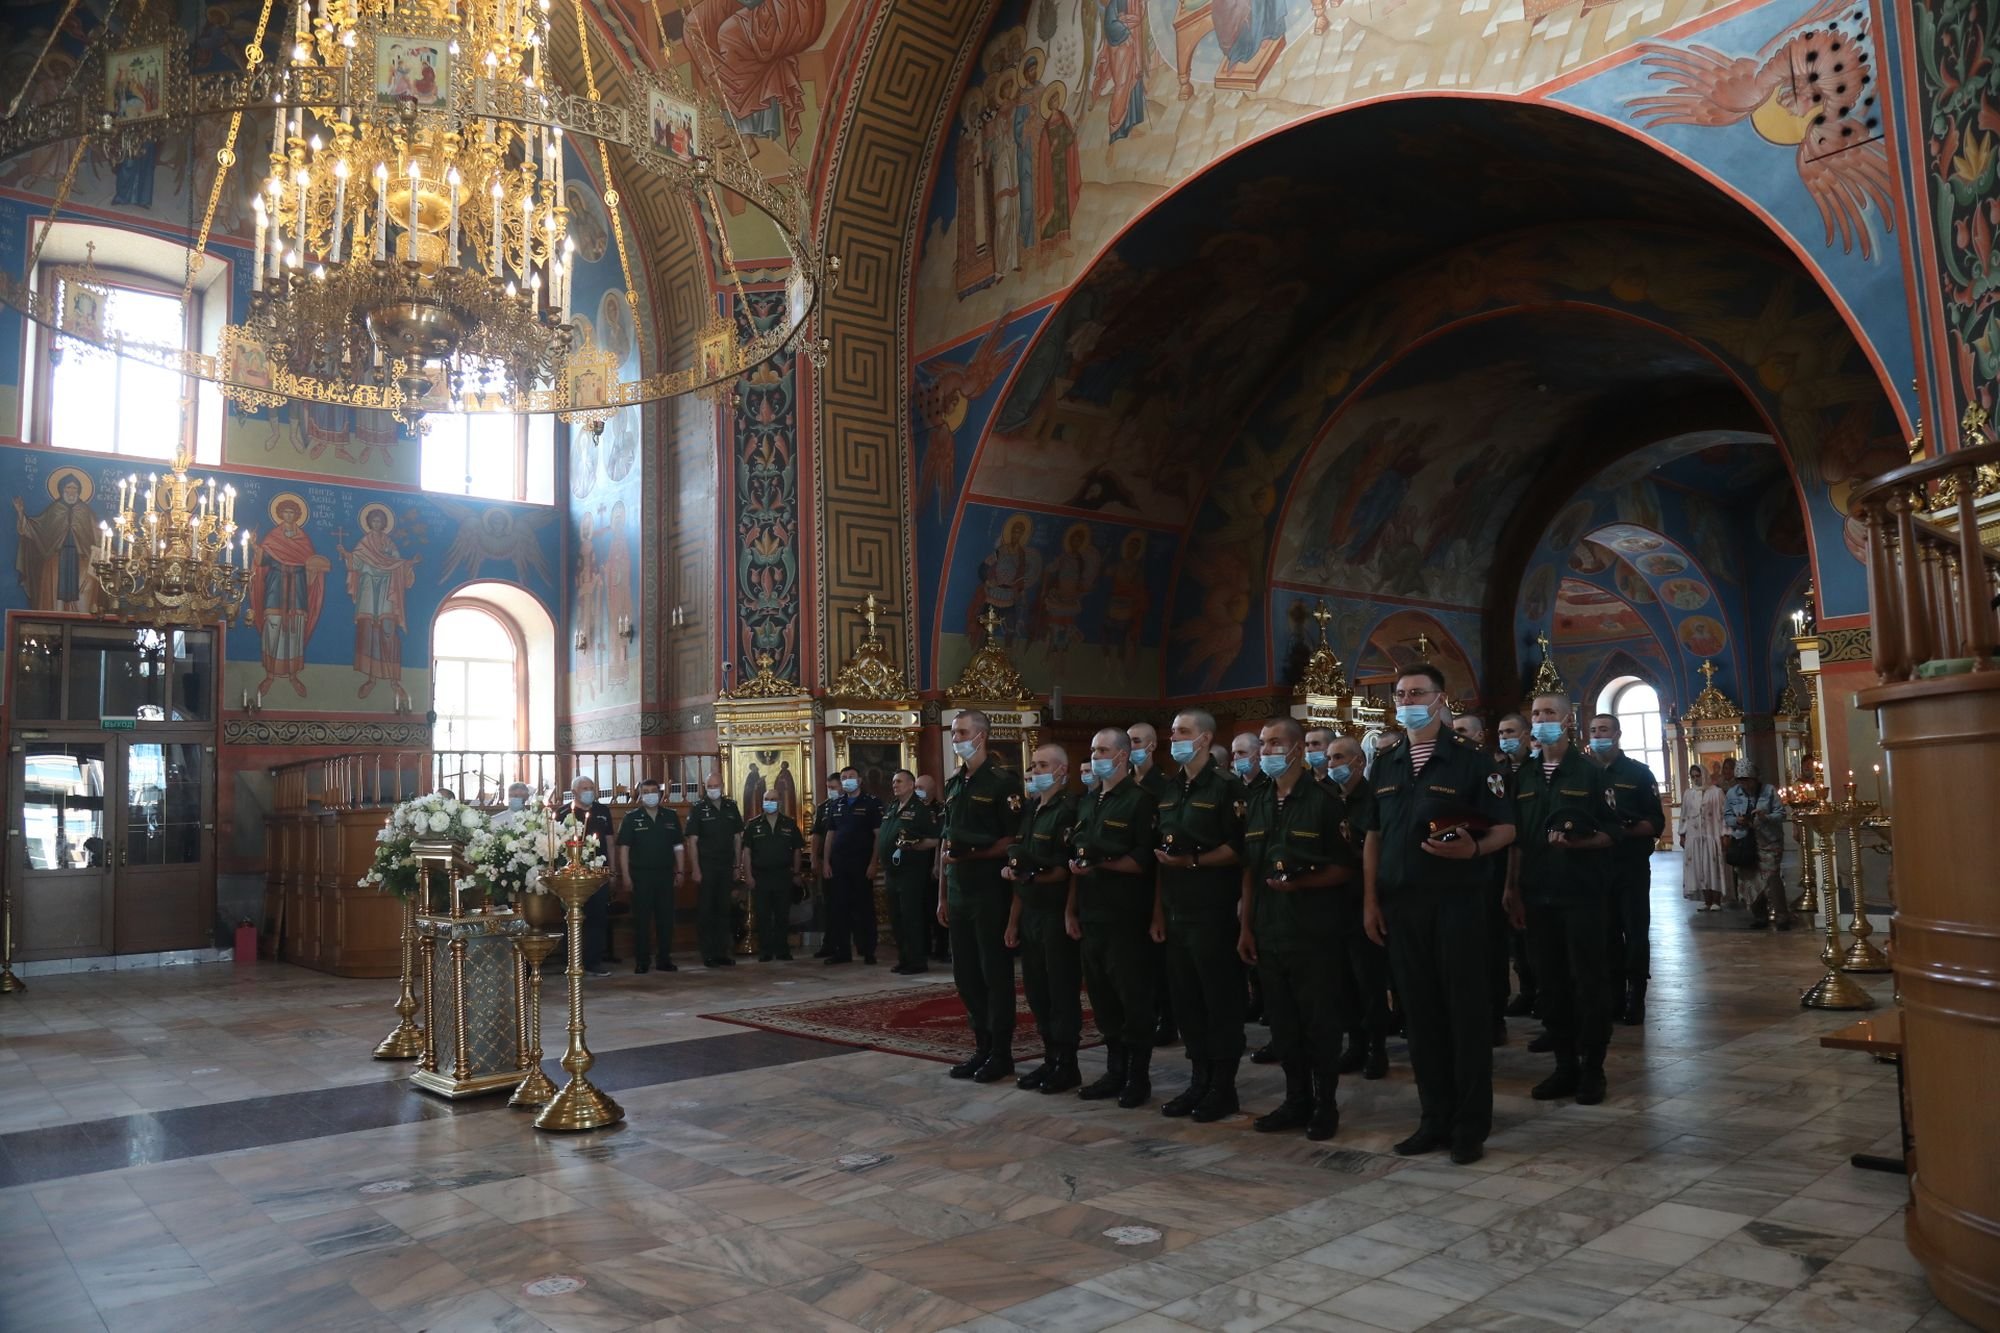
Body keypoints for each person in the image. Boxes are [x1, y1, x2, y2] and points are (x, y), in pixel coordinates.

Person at [1362, 665, 1515, 1164]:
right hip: (1402, 906)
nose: (1406, 700)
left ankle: (1470, 1125)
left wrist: (1472, 851)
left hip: (1457, 903)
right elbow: (1373, 837)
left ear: (1439, 698)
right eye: (1400, 693)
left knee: (1464, 1015)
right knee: (1420, 1016)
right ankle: (1433, 1118)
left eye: (1417, 692)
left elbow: (1506, 828)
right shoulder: (1386, 763)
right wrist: (1370, 900)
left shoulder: (1470, 760)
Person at [1240, 717, 1356, 1140]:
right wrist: (1246, 927)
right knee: (1284, 1025)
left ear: (1295, 750)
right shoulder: (1256, 801)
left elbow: (1345, 869)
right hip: (1269, 931)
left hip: (1314, 932)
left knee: (1319, 1023)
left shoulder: (1324, 801)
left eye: (1274, 743)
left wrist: (1302, 881)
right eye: (1263, 743)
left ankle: (1325, 1103)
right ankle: (1295, 1099)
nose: (1265, 750)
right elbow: (1250, 871)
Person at [1505, 693, 1620, 1106]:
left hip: (1582, 893)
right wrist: (1511, 888)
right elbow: (1516, 838)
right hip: (1538, 894)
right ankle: (1564, 1065)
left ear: (1568, 720)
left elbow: (1612, 832)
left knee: (1588, 981)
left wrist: (1581, 842)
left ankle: (1593, 1068)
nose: (1540, 720)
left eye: (1548, 713)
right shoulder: (1526, 775)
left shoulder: (1590, 772)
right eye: (1534, 713)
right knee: (1550, 983)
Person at [1155, 710, 1246, 1122]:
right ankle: (1198, 1080)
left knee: (1218, 1001)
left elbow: (1240, 848)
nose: (1174, 738)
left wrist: (1192, 861)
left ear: (1206, 739)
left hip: (1213, 909)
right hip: (1177, 910)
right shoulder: (1170, 788)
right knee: (1187, 1002)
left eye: (1183, 732)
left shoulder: (1226, 787)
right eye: (1173, 732)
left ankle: (1223, 1087)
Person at [1071, 728, 1162, 1107]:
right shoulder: (1090, 801)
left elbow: (1146, 860)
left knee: (1132, 998)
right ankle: (1115, 1070)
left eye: (1103, 750)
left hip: (1125, 915)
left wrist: (1102, 860)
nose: (1096, 757)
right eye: (1093, 750)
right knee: (1103, 999)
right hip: (1092, 913)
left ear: (1123, 756)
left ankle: (1138, 1077)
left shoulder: (1140, 801)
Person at [940, 710, 1020, 1081]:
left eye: (962, 732)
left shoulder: (1003, 782)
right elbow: (946, 842)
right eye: (954, 732)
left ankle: (1002, 1053)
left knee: (994, 974)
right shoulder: (955, 783)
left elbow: (1012, 840)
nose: (956, 738)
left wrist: (974, 854)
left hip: (990, 891)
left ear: (982, 735)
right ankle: (982, 1047)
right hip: (959, 892)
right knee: (966, 974)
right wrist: (942, 895)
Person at [1004, 745, 1082, 1092]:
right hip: (1031, 910)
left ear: (1063, 771)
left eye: (1043, 765)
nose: (1035, 771)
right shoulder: (1032, 809)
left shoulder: (1069, 809)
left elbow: (1067, 870)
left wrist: (1066, 910)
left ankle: (1067, 1064)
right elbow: (1023, 865)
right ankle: (1049, 1058)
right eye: (1033, 765)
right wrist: (1012, 920)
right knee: (1036, 992)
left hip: (1054, 912)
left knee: (1060, 991)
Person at [1588, 714, 1665, 1025]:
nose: (1597, 735)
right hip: (1594, 866)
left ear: (1617, 734)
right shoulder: (1583, 773)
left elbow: (1654, 823)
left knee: (1634, 932)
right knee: (1605, 934)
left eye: (1603, 730)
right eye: (1593, 731)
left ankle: (1636, 997)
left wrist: (1621, 831)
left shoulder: (1638, 773)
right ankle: (1613, 995)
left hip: (1630, 865)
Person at [1327, 733, 1389, 1080]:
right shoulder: (1327, 798)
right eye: (1330, 758)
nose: (1332, 764)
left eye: (1340, 758)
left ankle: (1376, 1049)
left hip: (1363, 899)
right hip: (1333, 903)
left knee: (1369, 981)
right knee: (1342, 982)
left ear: (1359, 762)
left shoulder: (1372, 800)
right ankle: (1354, 1045)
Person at [1450, 713, 1512, 1047]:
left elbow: (1503, 828)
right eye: (1453, 731)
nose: (1456, 736)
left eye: (1462, 731)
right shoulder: (1446, 768)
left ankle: (1494, 1017)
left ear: (1479, 735)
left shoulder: (1489, 771)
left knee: (1490, 949)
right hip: (1450, 878)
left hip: (1486, 870)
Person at [1129, 720, 1177, 1049]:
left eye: (1135, 742)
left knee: (1160, 963)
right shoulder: (1122, 784)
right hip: (1127, 888)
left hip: (1155, 882)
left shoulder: (1164, 786)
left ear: (1150, 746)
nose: (1130, 747)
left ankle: (1168, 1019)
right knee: (1137, 965)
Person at [616, 778, 685, 974]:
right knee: (641, 920)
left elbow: (678, 846)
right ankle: (642, 960)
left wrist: (680, 870)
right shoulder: (631, 818)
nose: (650, 795)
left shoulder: (670, 816)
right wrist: (626, 876)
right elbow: (624, 849)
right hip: (640, 876)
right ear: (640, 795)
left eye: (653, 791)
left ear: (660, 794)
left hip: (665, 875)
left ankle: (664, 959)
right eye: (645, 791)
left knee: (666, 919)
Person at [1494, 713, 1538, 1018]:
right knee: (1515, 936)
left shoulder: (1536, 771)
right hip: (1502, 860)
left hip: (1533, 861)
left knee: (1536, 935)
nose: (1504, 737)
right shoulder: (1497, 772)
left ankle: (1545, 994)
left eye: (1510, 732)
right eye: (1500, 732)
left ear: (1525, 735)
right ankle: (1526, 990)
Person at [820, 767, 884, 965]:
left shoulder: (871, 803)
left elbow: (878, 835)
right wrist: (826, 861)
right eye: (844, 778)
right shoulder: (836, 804)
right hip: (839, 863)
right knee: (839, 908)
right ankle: (842, 951)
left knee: (863, 908)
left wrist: (874, 862)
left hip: (862, 863)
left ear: (860, 780)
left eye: (851, 777)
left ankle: (867, 951)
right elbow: (830, 834)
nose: (847, 780)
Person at [880, 770, 940, 974]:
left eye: (899, 781)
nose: (894, 785)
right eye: (893, 782)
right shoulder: (892, 806)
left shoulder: (921, 809)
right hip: (892, 871)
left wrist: (914, 845)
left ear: (911, 784)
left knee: (911, 916)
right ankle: (904, 958)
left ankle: (917, 960)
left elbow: (935, 839)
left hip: (911, 871)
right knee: (896, 917)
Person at [685, 771, 745, 967]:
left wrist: (737, 865)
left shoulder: (731, 807)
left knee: (724, 910)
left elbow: (737, 838)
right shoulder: (698, 809)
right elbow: (692, 841)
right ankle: (708, 953)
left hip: (726, 865)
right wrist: (695, 869)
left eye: (716, 786)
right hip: (706, 866)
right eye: (709, 786)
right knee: (706, 911)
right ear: (705, 787)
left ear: (722, 786)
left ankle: (722, 952)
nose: (713, 789)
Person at [1724, 760, 1791, 927]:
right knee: (1750, 878)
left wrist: (1764, 817)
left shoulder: (1768, 791)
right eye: (1741, 780)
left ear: (1755, 778)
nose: (1745, 784)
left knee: (1772, 877)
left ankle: (1782, 916)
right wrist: (1737, 821)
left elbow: (1781, 814)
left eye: (1748, 780)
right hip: (1744, 841)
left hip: (1768, 840)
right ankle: (1760, 916)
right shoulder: (1732, 794)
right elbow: (1727, 816)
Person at [740, 796, 805, 961]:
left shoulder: (789, 824)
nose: (770, 801)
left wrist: (796, 873)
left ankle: (782, 949)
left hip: (783, 875)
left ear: (779, 802)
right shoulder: (753, 824)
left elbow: (797, 849)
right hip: (761, 876)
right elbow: (746, 852)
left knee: (782, 914)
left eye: (773, 799)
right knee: (763, 915)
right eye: (767, 799)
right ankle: (766, 951)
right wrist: (748, 875)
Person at [563, 775, 615, 977]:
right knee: (572, 917)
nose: (589, 791)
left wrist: (613, 869)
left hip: (598, 873)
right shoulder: (563, 812)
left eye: (591, 787)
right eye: (585, 788)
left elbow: (610, 841)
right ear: (574, 791)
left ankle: (594, 961)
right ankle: (573, 961)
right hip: (572, 876)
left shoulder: (602, 811)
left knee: (598, 917)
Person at [1680, 763, 1726, 911]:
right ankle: (1707, 900)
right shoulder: (1689, 793)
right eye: (1692, 776)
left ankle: (1716, 900)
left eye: (1697, 775)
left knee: (1712, 867)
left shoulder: (1716, 792)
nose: (1695, 779)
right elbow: (1684, 815)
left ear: (1704, 774)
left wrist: (1725, 833)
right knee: (1700, 868)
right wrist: (1682, 834)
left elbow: (1723, 814)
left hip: (1711, 834)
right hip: (1695, 836)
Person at [917, 774, 951, 962]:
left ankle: (942, 948)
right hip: (917, 866)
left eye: (921, 787)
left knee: (936, 906)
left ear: (931, 789)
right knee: (921, 909)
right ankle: (924, 947)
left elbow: (941, 838)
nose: (918, 790)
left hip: (934, 866)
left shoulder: (940, 810)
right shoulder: (914, 809)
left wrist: (937, 864)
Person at [812, 773, 845, 958]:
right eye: (829, 788)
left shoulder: (850, 804)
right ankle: (830, 943)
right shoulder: (823, 807)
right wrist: (816, 859)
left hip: (847, 861)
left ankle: (850, 944)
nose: (831, 791)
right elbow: (817, 834)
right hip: (828, 862)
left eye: (834, 787)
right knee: (829, 904)